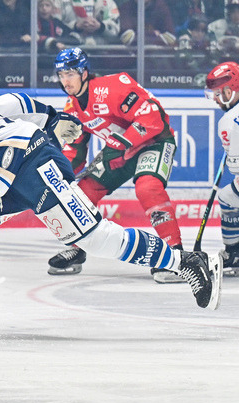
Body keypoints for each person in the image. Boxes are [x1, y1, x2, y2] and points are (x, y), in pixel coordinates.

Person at [0, 86, 221, 339]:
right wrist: (52, 117)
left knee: (94, 238)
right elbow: (14, 101)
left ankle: (184, 261)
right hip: (11, 177)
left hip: (32, 166)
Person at [47, 47, 188, 282]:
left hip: (154, 141)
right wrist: (60, 175)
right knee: (80, 195)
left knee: (148, 188)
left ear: (84, 73)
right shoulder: (72, 108)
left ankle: (176, 255)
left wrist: (123, 141)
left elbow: (152, 117)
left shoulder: (111, 87)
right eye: (61, 75)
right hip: (119, 149)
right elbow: (76, 150)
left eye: (70, 74)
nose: (65, 80)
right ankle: (77, 246)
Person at [204, 61, 239, 274]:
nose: (216, 99)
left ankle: (233, 251)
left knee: (227, 196)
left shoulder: (228, 121)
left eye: (218, 93)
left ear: (230, 90)